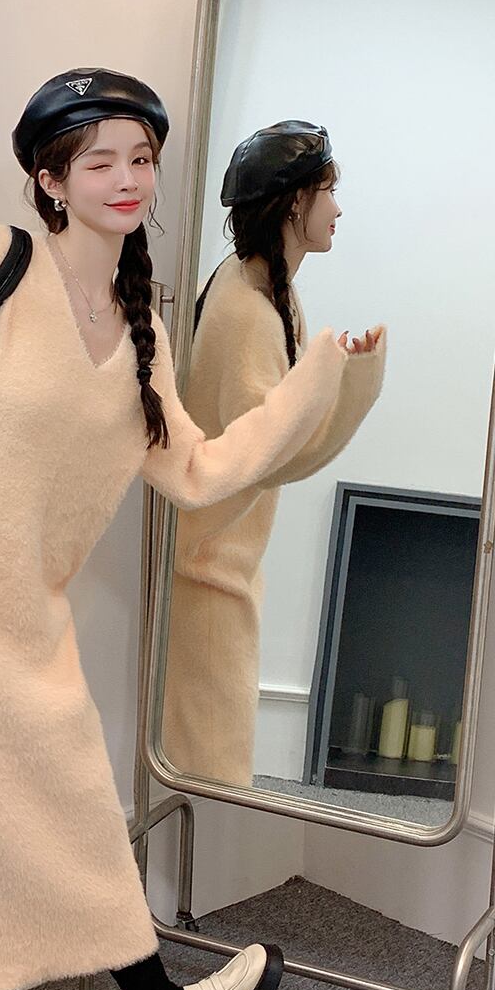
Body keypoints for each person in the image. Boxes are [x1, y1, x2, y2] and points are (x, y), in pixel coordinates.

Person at [0, 76, 354, 990]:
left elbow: (197, 471)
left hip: (28, 619)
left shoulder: (144, 331)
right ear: (51, 181)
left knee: (69, 818)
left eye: (141, 158)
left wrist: (316, 384)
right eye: (100, 161)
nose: (128, 178)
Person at [163, 121, 387, 787]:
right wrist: (352, 384)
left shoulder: (265, 288)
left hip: (218, 565)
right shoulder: (249, 311)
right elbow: (270, 455)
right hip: (208, 574)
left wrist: (336, 380)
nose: (338, 207)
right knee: (215, 776)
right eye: (328, 190)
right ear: (294, 202)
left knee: (211, 763)